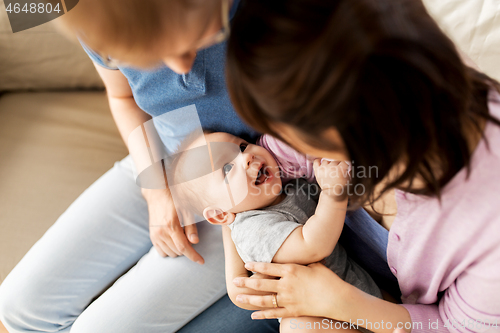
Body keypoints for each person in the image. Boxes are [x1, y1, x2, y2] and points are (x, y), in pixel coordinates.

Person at [0, 0, 279, 332]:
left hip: (250, 191)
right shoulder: (86, 12)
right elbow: (122, 97)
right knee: (18, 307)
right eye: (150, 56)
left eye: (185, 43)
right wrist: (155, 188)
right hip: (162, 152)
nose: (179, 66)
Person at [224, 0, 500, 332]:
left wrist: (339, 301)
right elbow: (273, 158)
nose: (276, 140)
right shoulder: (372, 68)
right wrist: (236, 253)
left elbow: (453, 327)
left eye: (286, 130)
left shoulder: (487, 229)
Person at [169, 131, 382, 332]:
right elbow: (313, 245)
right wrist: (333, 191)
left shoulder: (284, 192)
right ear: (220, 215)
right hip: (328, 318)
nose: (247, 158)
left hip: (359, 297)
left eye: (242, 147)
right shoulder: (252, 230)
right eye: (226, 169)